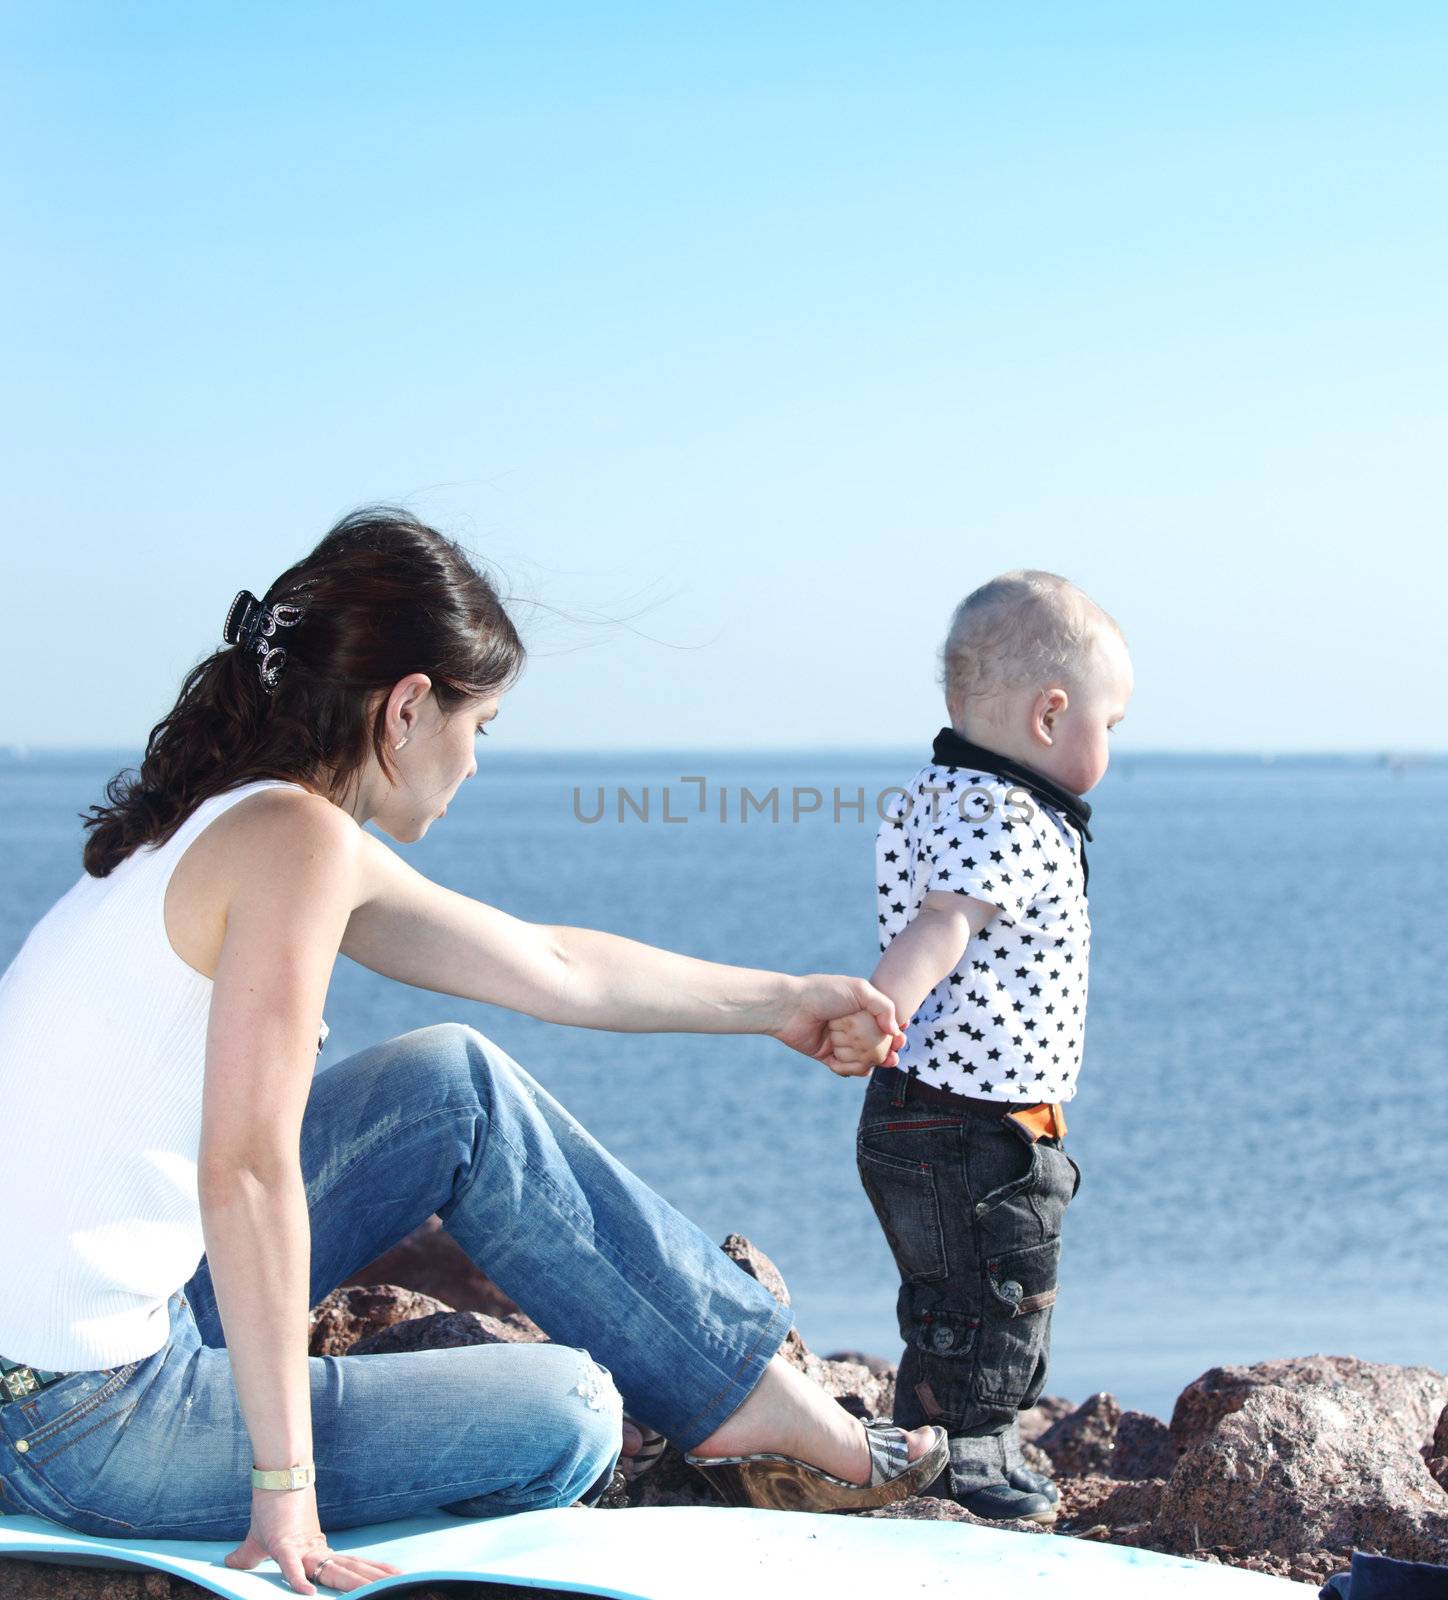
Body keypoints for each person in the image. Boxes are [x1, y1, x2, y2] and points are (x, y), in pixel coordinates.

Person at [0, 506, 947, 1596]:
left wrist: (782, 1001)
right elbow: (248, 1167)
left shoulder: (237, 819)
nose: (477, 763)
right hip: (79, 1422)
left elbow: (552, 963)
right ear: (407, 707)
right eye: (480, 726)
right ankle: (741, 1409)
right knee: (575, 1413)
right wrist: (284, 1495)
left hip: (65, 1362)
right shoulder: (294, 844)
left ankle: (743, 1403)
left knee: (450, 1083)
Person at [825, 569, 1134, 1524]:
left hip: (928, 1109)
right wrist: (883, 1005)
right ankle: (968, 1460)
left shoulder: (939, 791)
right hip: (974, 1122)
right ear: (1051, 715)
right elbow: (944, 924)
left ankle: (930, 1442)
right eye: (1109, 724)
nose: (1111, 745)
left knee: (953, 1291)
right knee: (998, 1292)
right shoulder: (1005, 815)